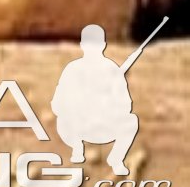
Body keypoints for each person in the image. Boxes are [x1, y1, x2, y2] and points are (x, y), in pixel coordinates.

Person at [51, 24, 140, 175]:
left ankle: (116, 159)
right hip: (78, 127)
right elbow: (57, 104)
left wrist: (107, 105)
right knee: (64, 120)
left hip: (103, 126)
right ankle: (77, 149)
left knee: (131, 121)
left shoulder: (112, 71)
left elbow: (125, 105)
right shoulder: (73, 70)